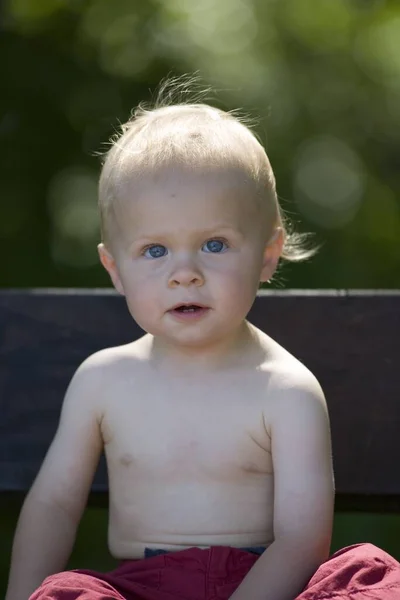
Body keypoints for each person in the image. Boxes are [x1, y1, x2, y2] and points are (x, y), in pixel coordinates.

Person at [6, 76, 400, 600]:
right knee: (69, 593)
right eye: (154, 251)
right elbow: (54, 505)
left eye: (215, 244)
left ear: (267, 254)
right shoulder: (103, 381)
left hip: (266, 586)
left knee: (372, 578)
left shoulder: (285, 390)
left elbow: (304, 540)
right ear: (114, 268)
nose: (184, 272)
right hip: (139, 590)